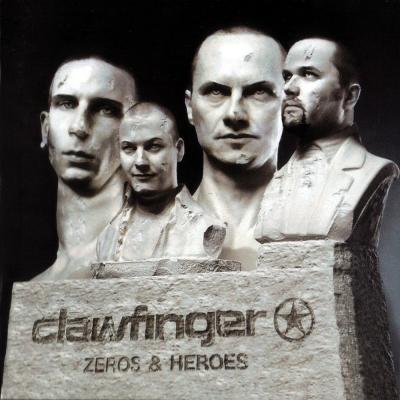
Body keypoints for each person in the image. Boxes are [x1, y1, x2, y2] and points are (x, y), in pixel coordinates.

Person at [255, 38, 399, 245]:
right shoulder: (276, 179)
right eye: (287, 76)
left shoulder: (374, 170)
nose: (288, 87)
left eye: (308, 74)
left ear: (349, 96)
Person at [184, 26, 285, 269]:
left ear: (288, 104)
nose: (235, 114)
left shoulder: (322, 220)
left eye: (258, 92)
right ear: (190, 107)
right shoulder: (146, 234)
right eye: (216, 92)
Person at [34, 57, 137, 280]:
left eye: (105, 109)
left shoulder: (150, 259)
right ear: (45, 128)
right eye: (67, 104)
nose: (79, 127)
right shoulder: (39, 283)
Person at [97, 102, 226, 262]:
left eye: (153, 147)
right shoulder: (107, 238)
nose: (140, 161)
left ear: (179, 150)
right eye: (129, 148)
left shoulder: (204, 228)